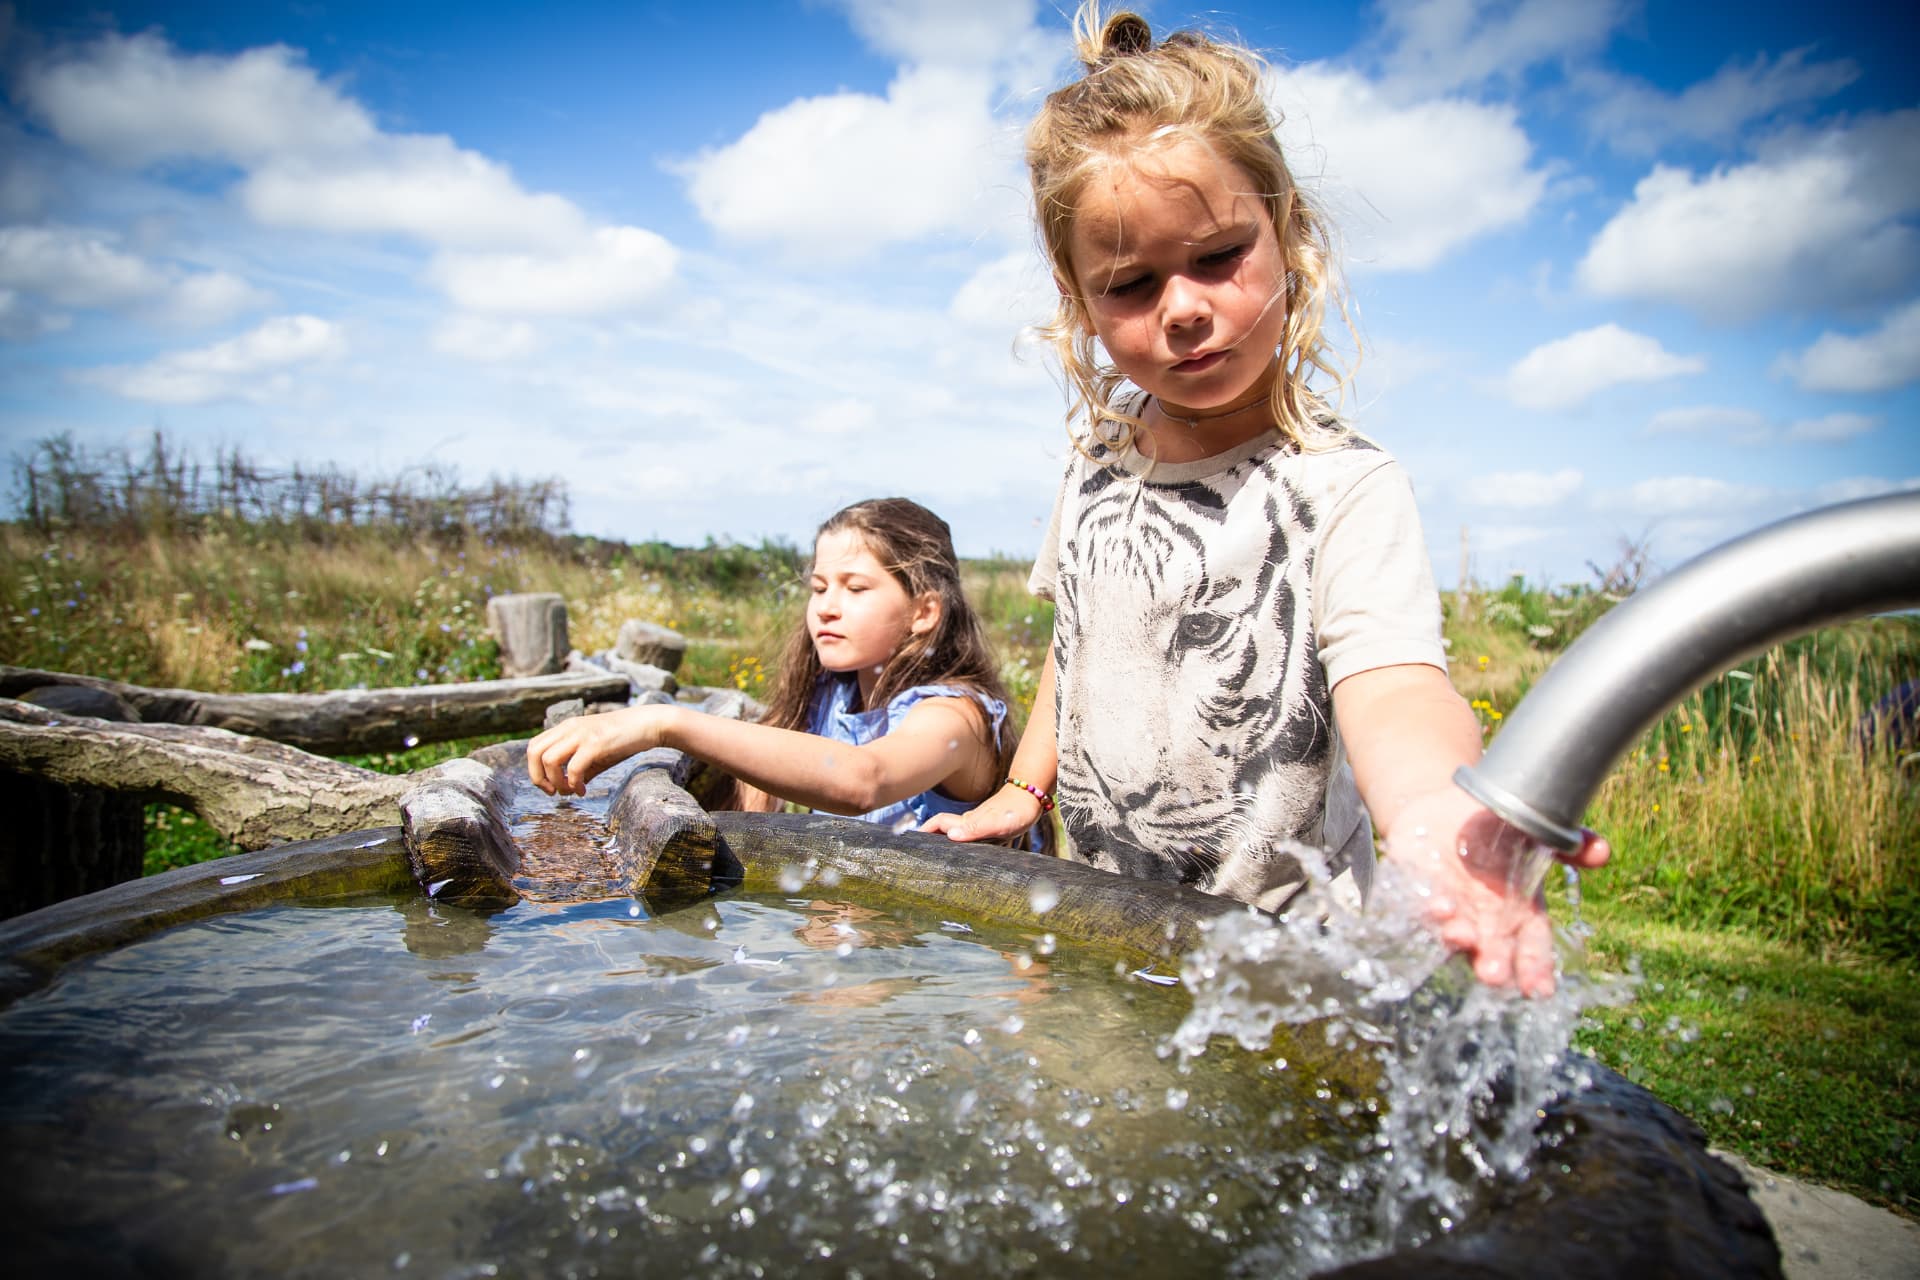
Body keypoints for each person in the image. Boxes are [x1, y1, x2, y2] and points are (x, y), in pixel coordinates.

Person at [922, 5, 1608, 995]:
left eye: (1216, 257)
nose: (1186, 306)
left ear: (1288, 236)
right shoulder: (1096, 466)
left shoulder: (1342, 486)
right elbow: (1081, 654)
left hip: (1285, 973)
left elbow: (1396, 684)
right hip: (1098, 929)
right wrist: (1023, 790)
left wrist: (1426, 810)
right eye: (1131, 282)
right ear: (1080, 305)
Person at [527, 497, 1042, 848]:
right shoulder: (827, 696)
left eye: (855, 588)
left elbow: (865, 780)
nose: (827, 608)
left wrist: (665, 723)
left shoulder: (955, 717)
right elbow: (754, 806)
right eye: (819, 588)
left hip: (951, 958)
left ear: (923, 612)